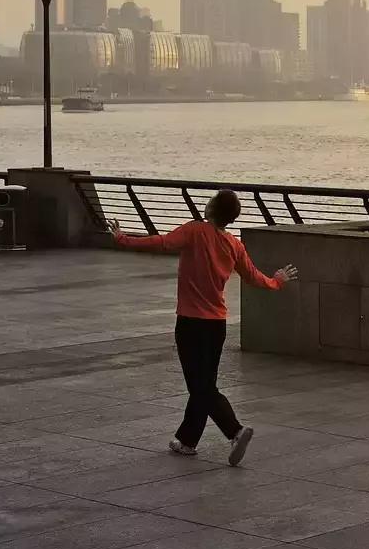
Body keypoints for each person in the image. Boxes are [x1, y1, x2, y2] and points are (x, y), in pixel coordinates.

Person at [107, 190, 296, 465]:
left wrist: (122, 239)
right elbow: (254, 278)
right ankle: (187, 441)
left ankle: (235, 430)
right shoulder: (234, 245)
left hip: (191, 323)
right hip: (216, 325)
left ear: (212, 208)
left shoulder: (195, 231)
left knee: (201, 387)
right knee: (203, 384)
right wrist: (277, 281)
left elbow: (160, 243)